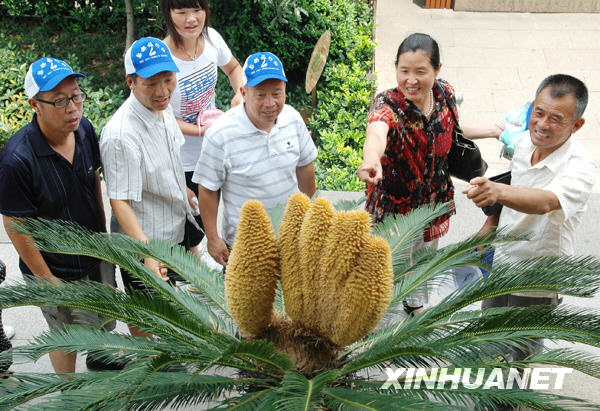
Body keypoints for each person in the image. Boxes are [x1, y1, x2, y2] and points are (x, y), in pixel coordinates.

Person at [464, 75, 595, 388]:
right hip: (504, 263)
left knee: (521, 350)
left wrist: (497, 193)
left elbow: (546, 202)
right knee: (490, 334)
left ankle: (514, 398)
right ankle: (490, 393)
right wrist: (490, 224)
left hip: (538, 274)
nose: (542, 124)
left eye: (556, 119)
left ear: (576, 125)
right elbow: (512, 183)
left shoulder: (581, 168)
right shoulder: (525, 142)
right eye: (538, 112)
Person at [356, 33, 503, 316]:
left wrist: (493, 130)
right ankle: (375, 317)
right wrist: (372, 158)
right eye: (404, 71)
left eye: (420, 71)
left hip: (432, 200)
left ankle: (416, 305)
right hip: (394, 207)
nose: (411, 80)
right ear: (396, 68)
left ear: (437, 69)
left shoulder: (444, 94)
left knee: (424, 256)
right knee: (386, 262)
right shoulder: (387, 104)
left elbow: (454, 129)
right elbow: (376, 133)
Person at [0, 57, 117, 374]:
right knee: (65, 336)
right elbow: (15, 225)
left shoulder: (84, 130)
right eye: (61, 101)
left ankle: (101, 355)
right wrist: (46, 279)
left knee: (104, 313)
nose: (73, 108)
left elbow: (94, 180)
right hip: (55, 265)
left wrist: (103, 237)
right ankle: (67, 391)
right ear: (35, 105)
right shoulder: (17, 159)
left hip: (95, 252)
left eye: (77, 95)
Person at [100, 37, 199, 337]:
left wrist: (185, 190)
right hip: (143, 237)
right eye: (151, 83)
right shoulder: (120, 135)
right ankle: (147, 365)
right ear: (130, 82)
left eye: (168, 80)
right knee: (145, 310)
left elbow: (171, 156)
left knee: (171, 300)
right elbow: (120, 202)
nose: (163, 91)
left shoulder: (163, 108)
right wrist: (148, 253)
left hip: (173, 223)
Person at [193, 51, 317, 267]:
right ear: (244, 92)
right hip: (244, 247)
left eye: (277, 94)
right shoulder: (221, 134)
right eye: (260, 95)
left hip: (291, 239)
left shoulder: (292, 119)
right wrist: (212, 238)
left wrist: (312, 215)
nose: (270, 103)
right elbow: (208, 189)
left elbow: (305, 167)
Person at [161, 0, 244, 258]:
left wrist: (240, 94)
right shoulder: (163, 56)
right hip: (181, 157)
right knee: (188, 222)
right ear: (168, 13)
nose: (191, 19)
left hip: (214, 147)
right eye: (181, 11)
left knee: (212, 209)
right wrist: (199, 131)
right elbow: (159, 115)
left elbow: (233, 68)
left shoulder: (211, 39)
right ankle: (193, 270)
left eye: (196, 10)